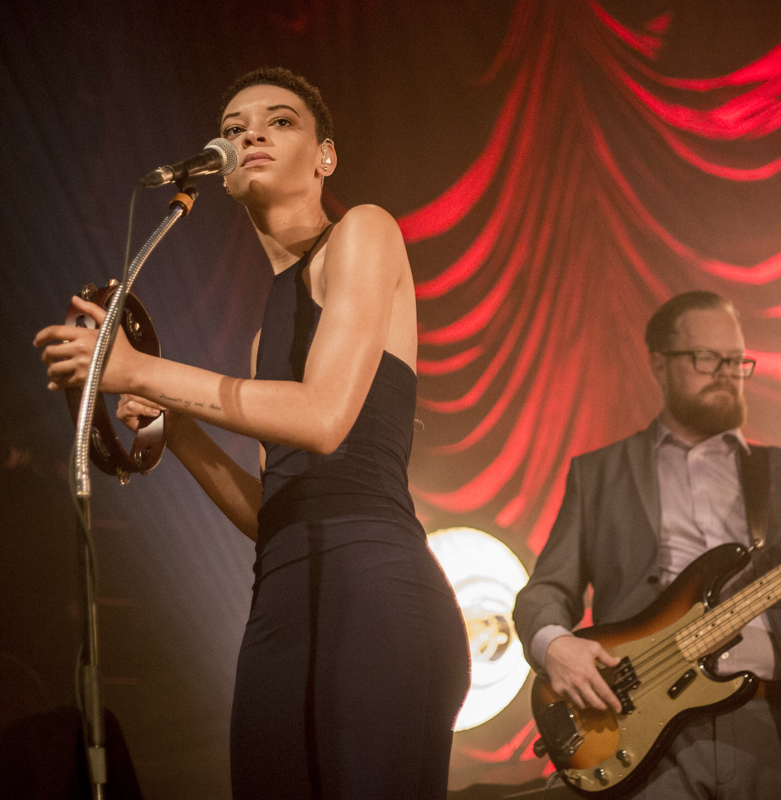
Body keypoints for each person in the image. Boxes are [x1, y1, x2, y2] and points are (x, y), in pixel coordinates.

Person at [35, 67, 470, 799]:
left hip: (375, 591)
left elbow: (324, 420)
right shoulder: (270, 323)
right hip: (281, 603)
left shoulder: (363, 231)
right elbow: (271, 514)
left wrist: (142, 373)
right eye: (233, 128)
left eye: (279, 121)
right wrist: (180, 434)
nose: (249, 135)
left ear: (325, 156)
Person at [512, 291, 781, 800]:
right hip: (641, 726)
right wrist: (555, 647)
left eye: (735, 360)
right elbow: (543, 592)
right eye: (706, 358)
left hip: (769, 720)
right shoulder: (599, 474)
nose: (725, 372)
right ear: (658, 364)